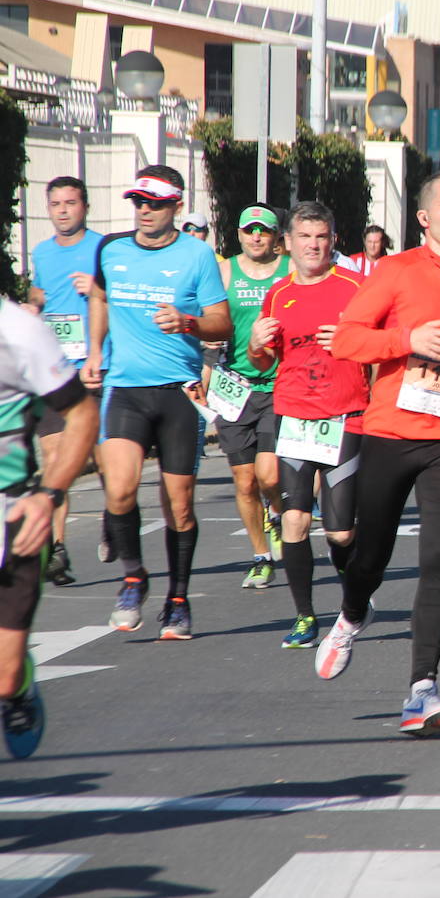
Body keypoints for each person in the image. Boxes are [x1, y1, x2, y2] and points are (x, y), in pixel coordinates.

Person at [315, 168, 440, 737]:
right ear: (425, 217)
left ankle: (421, 690)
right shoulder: (393, 271)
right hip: (390, 433)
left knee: (437, 561)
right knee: (369, 555)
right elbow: (349, 338)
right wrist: (408, 341)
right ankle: (353, 613)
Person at [83, 165, 232, 640]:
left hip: (178, 395)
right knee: (120, 490)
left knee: (180, 507)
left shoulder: (197, 256)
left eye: (154, 202)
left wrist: (188, 322)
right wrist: (93, 351)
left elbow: (221, 324)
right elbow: (101, 299)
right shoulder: (112, 250)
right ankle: (133, 578)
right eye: (138, 202)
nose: (144, 210)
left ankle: (178, 599)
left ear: (176, 206)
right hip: (125, 388)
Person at [247, 201, 369, 649]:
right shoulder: (278, 293)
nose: (313, 246)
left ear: (333, 240)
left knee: (339, 531)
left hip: (346, 416)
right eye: (304, 238)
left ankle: (355, 601)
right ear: (288, 244)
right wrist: (257, 345)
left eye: (321, 237)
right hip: (294, 416)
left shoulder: (357, 287)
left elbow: (382, 346)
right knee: (294, 520)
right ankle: (305, 617)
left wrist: (352, 340)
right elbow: (263, 357)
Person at [0, 299, 101, 759]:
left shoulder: (18, 332)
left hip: (13, 520)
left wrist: (50, 494)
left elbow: (81, 416)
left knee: (3, 673)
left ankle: (18, 684)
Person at [27, 175, 106, 585]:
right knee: (57, 460)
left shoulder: (103, 249)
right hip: (54, 370)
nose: (61, 210)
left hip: (96, 365)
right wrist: (31, 305)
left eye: (70, 203)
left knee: (100, 459)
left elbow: (120, 300)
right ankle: (58, 549)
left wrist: (96, 289)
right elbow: (41, 293)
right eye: (55, 203)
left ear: (85, 206)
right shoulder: (41, 251)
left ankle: (117, 511)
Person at [215, 204, 289, 590]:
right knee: (244, 483)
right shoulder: (225, 270)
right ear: (239, 234)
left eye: (263, 231)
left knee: (269, 473)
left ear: (277, 237)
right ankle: (261, 557)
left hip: (279, 384)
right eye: (249, 231)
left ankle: (276, 514)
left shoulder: (290, 269)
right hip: (235, 387)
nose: (256, 237)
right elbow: (209, 319)